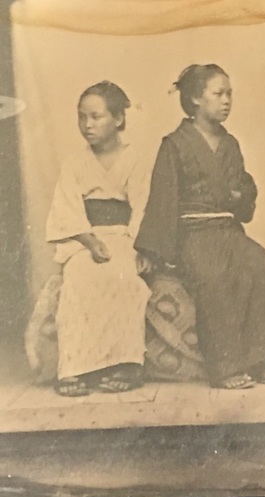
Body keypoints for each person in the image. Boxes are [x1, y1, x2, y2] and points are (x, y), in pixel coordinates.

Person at [135, 64, 265, 390]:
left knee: (262, 266)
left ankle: (263, 361)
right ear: (196, 99)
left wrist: (238, 195)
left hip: (227, 231)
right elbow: (163, 198)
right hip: (194, 235)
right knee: (215, 276)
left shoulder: (230, 144)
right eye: (219, 94)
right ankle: (225, 367)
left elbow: (244, 199)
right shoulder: (174, 144)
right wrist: (152, 251)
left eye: (230, 93)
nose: (227, 100)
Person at [46, 81, 151, 396]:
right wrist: (90, 242)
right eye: (82, 117)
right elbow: (67, 210)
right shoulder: (74, 163)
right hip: (84, 237)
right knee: (79, 276)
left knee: (125, 278)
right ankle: (73, 368)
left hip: (123, 236)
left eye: (95, 117)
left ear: (118, 119)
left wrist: (140, 247)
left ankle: (128, 365)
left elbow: (143, 207)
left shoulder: (136, 160)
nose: (87, 125)